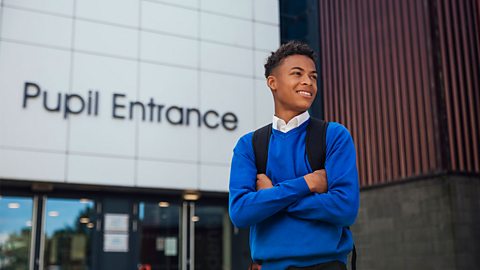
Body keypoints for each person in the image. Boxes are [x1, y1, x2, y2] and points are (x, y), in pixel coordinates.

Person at [228, 41, 360, 270]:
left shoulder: (334, 136)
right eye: (297, 73)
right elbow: (240, 212)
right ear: (273, 82)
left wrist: (272, 196)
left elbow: (345, 209)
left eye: (313, 76)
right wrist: (307, 183)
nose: (308, 82)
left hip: (326, 265)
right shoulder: (249, 145)